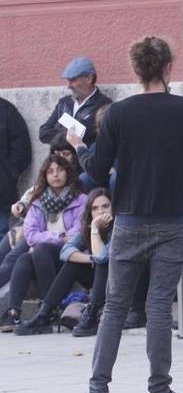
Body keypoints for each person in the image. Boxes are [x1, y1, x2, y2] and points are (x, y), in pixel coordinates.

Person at [71, 36, 183, 393]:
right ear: (168, 67)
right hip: (170, 219)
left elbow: (96, 170)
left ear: (136, 69)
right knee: (159, 307)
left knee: (114, 307)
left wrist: (79, 146)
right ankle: (159, 392)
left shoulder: (117, 113)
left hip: (128, 218)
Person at [0, 155, 87, 332]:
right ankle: (14, 312)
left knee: (41, 249)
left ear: (68, 173)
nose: (56, 175)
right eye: (51, 171)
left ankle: (47, 312)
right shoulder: (38, 202)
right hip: (45, 256)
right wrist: (58, 236)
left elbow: (78, 232)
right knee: (24, 258)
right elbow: (30, 235)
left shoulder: (81, 200)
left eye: (60, 170)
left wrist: (48, 238)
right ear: (45, 176)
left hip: (71, 254)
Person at [14, 188, 112, 336]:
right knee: (72, 264)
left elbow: (103, 258)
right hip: (97, 278)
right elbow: (66, 251)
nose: (100, 212)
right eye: (95, 208)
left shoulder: (120, 228)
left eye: (105, 206)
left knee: (102, 265)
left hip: (118, 282)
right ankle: (44, 313)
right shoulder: (87, 229)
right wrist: (90, 259)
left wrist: (96, 230)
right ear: (90, 213)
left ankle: (92, 314)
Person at [39, 56, 112, 147]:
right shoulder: (64, 103)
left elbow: (85, 135)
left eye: (72, 80)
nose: (68, 86)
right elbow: (43, 132)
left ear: (89, 79)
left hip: (83, 160)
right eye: (68, 81)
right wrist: (70, 135)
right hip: (59, 160)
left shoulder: (104, 105)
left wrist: (59, 130)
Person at [0, 96, 31, 236]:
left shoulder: (6, 111)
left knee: (2, 234)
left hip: (2, 191)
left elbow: (22, 149)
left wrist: (7, 176)